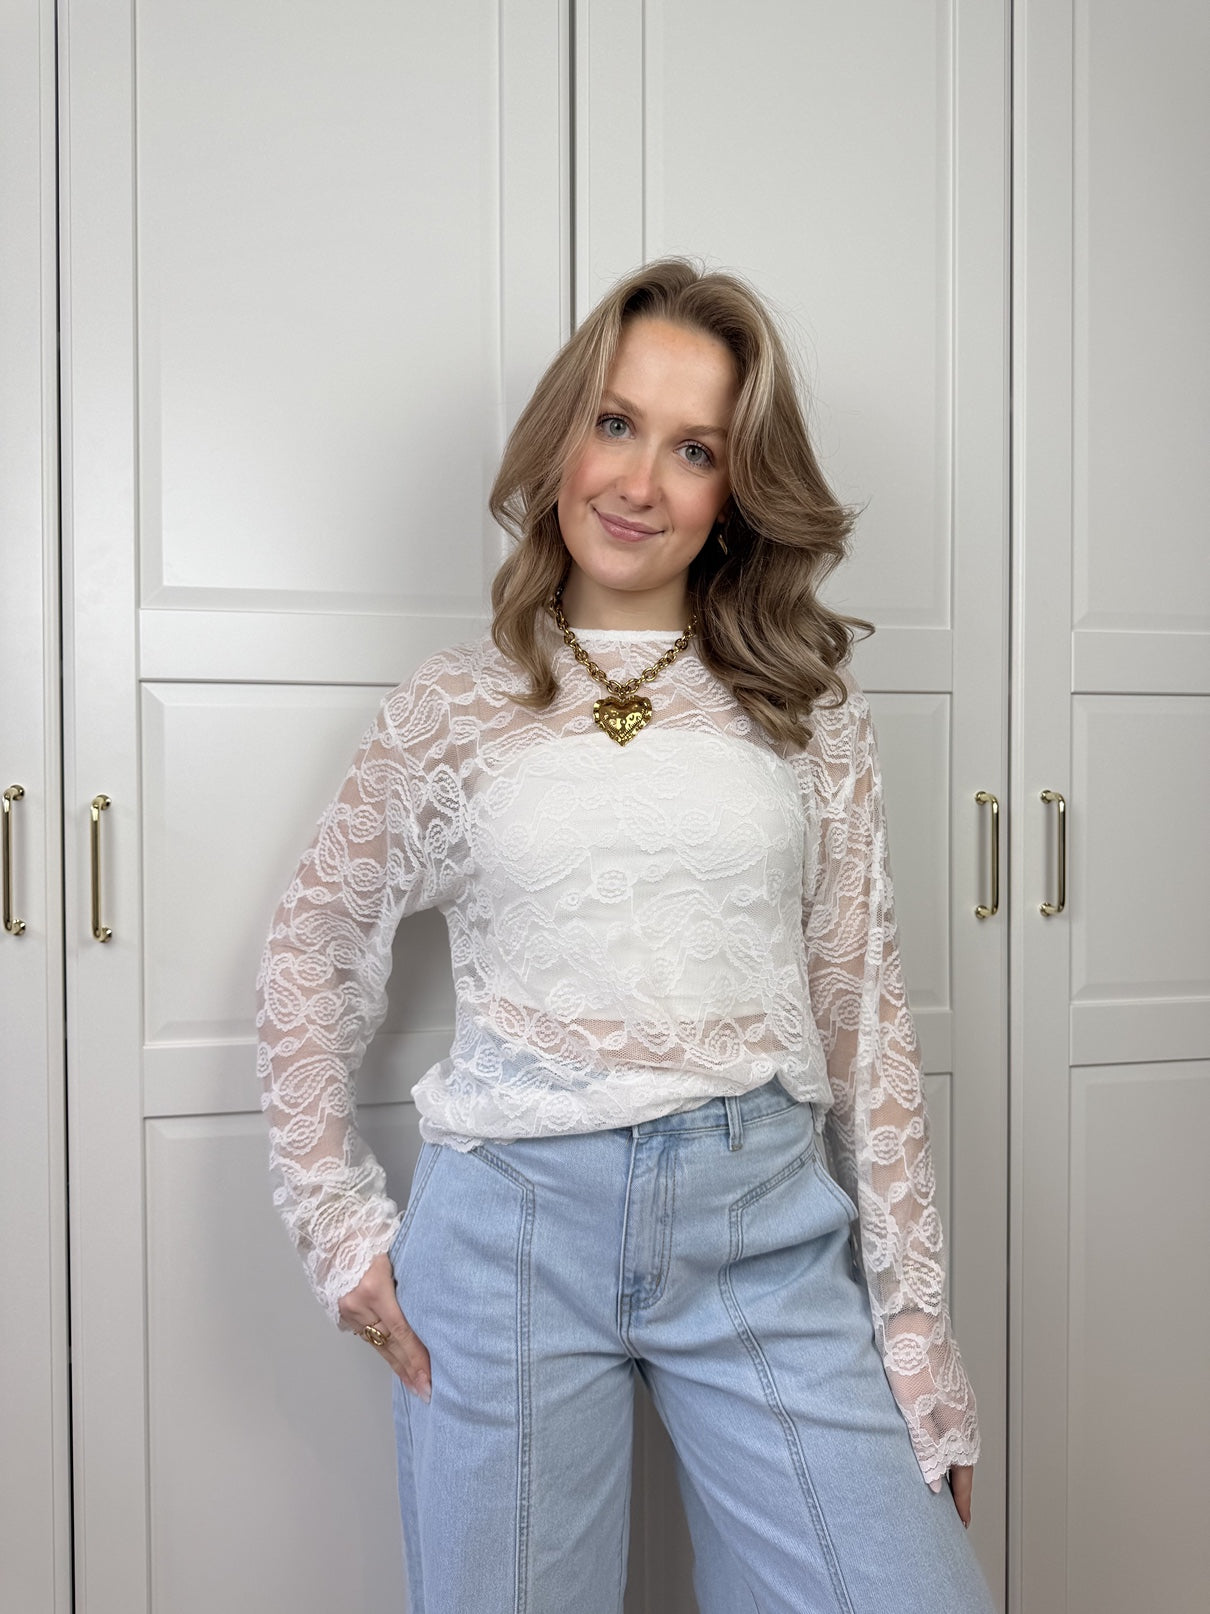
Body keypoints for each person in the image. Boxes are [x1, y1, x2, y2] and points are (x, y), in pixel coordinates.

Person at [256, 258, 996, 1613]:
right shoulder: (453, 708)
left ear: (734, 494)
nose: (639, 482)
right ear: (563, 437)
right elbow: (311, 943)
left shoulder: (808, 713)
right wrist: (335, 1223)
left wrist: (913, 1328)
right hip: (505, 1236)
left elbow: (863, 1021)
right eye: (615, 423)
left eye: (693, 449)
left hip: (762, 1228)